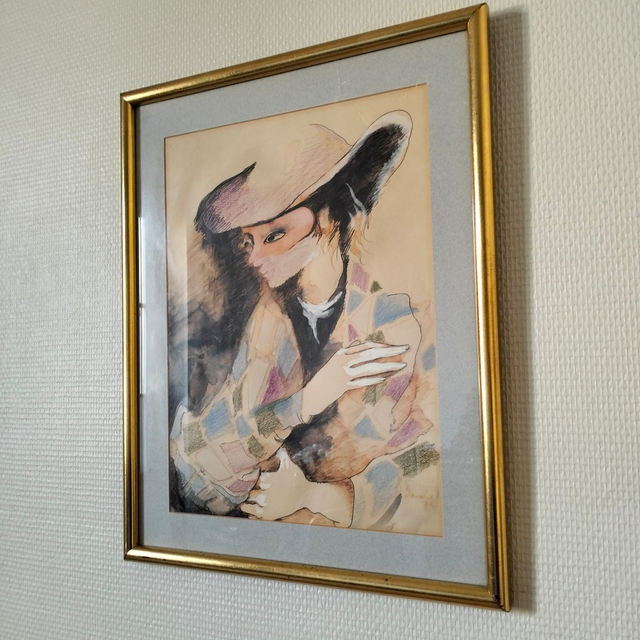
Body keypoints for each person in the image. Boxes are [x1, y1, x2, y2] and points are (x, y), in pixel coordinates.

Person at [169, 110, 440, 534]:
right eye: (248, 241)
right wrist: (304, 402)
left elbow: (430, 469)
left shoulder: (401, 324)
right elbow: (198, 465)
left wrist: (323, 497)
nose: (255, 258)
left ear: (334, 218)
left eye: (276, 234)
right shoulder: (265, 324)